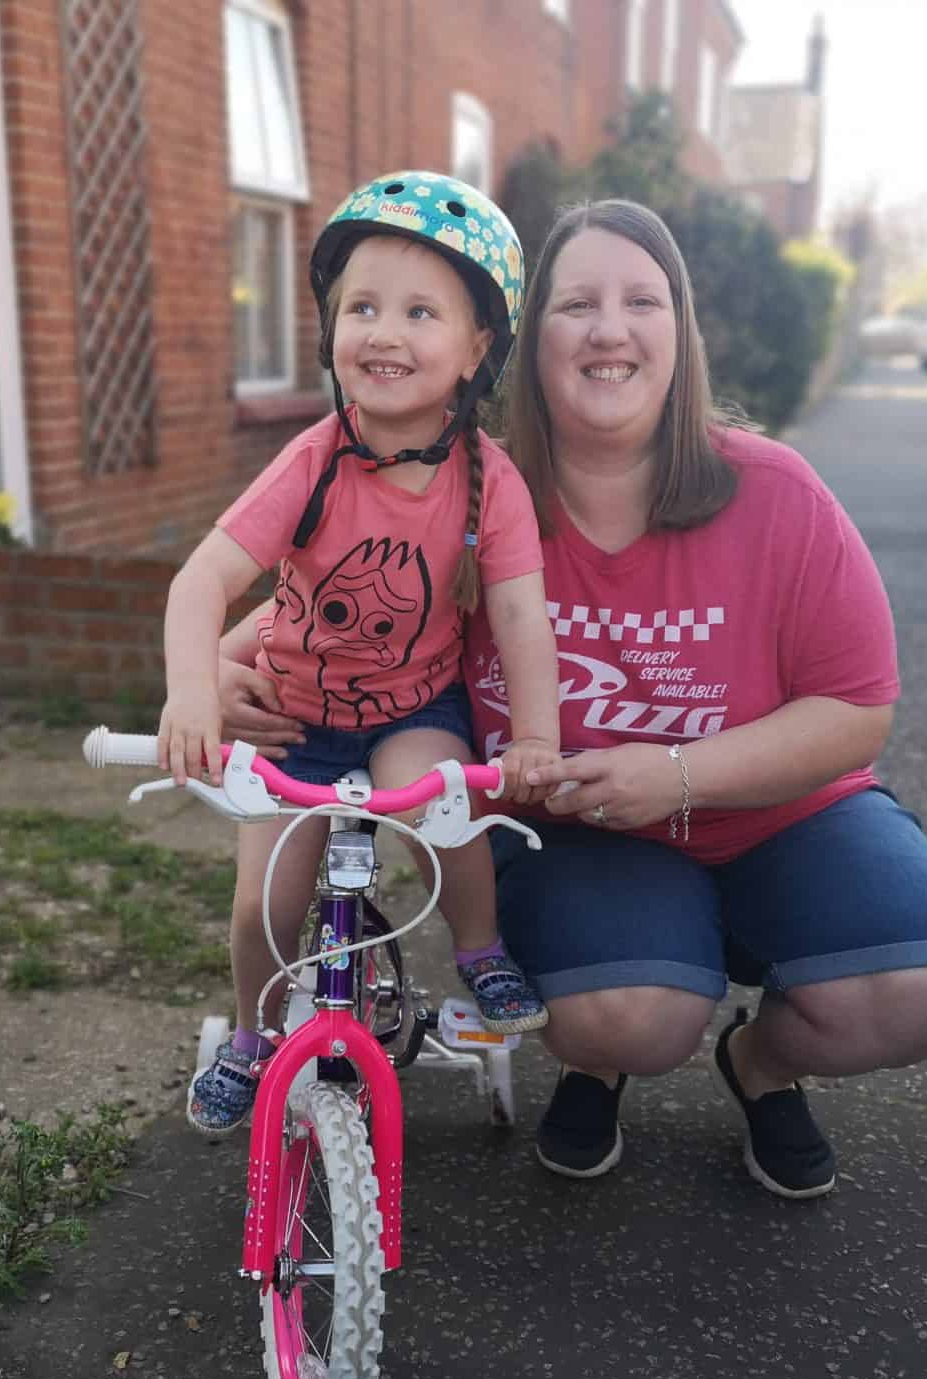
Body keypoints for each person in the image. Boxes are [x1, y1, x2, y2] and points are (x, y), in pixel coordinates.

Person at [221, 199, 927, 1192]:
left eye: (641, 301)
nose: (608, 329)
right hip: (574, 835)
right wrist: (232, 667)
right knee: (628, 1013)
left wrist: (675, 773)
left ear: (680, 332)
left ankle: (760, 1067)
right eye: (575, 303)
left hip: (776, 819)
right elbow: (319, 593)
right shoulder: (466, 495)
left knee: (919, 990)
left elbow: (855, 709)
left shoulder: (778, 495)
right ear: (524, 343)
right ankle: (598, 1059)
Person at [160, 171, 563, 1135]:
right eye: (362, 308)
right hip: (298, 720)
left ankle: (477, 951)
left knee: (446, 809)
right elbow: (199, 582)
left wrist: (536, 739)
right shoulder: (312, 459)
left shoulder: (488, 480)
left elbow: (518, 618)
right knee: (266, 901)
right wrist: (193, 694)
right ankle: (255, 1045)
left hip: (412, 709)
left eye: (420, 312)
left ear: (475, 352)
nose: (383, 331)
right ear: (332, 328)